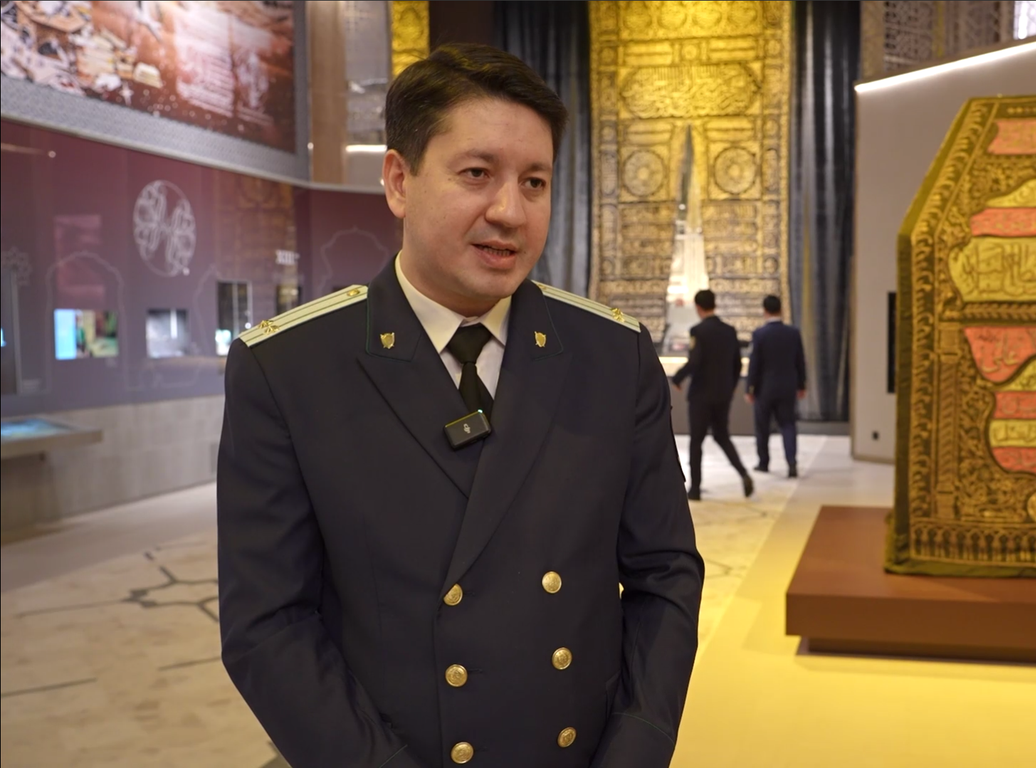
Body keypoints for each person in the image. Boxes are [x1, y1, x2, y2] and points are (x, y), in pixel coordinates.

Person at [216, 44, 702, 768]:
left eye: (534, 182)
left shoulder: (611, 355)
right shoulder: (290, 367)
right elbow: (269, 623)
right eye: (477, 174)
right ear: (398, 180)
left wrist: (636, 748)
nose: (509, 211)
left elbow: (665, 573)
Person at [671, 289, 753, 501]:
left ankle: (695, 489)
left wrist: (678, 378)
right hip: (722, 394)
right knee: (722, 436)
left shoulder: (698, 331)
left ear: (698, 307)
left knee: (696, 441)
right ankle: (743, 473)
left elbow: (695, 361)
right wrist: (731, 386)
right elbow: (737, 363)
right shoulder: (729, 330)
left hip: (701, 395)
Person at [745, 295, 807, 478]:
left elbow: (754, 364)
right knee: (788, 424)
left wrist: (749, 388)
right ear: (781, 309)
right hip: (787, 386)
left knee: (762, 427)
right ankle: (791, 462)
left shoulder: (759, 334)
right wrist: (801, 384)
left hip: (765, 388)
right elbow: (800, 361)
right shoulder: (793, 333)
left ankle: (764, 462)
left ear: (765, 311)